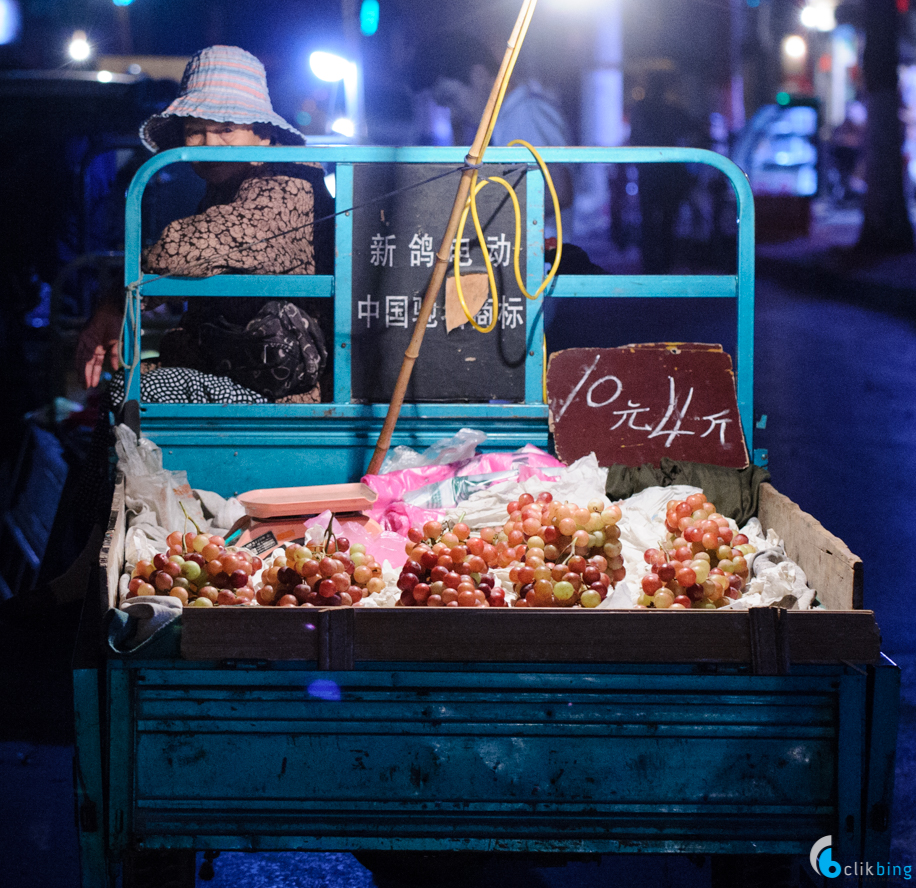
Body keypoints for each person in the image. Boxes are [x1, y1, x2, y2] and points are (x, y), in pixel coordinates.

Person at [77, 45, 333, 402]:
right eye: (196, 130)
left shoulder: (288, 181)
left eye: (226, 129)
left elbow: (185, 249)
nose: (209, 144)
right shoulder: (225, 186)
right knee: (117, 393)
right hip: (232, 366)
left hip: (283, 388)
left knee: (129, 393)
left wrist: (118, 301)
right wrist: (116, 304)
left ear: (262, 135)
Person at [411, 32, 574, 213]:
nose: (453, 112)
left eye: (452, 98)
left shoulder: (526, 112)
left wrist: (482, 207)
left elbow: (558, 191)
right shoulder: (502, 121)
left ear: (479, 76)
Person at [628, 70, 705, 273]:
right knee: (665, 220)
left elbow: (636, 137)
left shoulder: (644, 110)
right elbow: (694, 129)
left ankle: (653, 265)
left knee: (653, 220)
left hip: (654, 173)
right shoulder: (669, 110)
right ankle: (662, 264)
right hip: (666, 173)